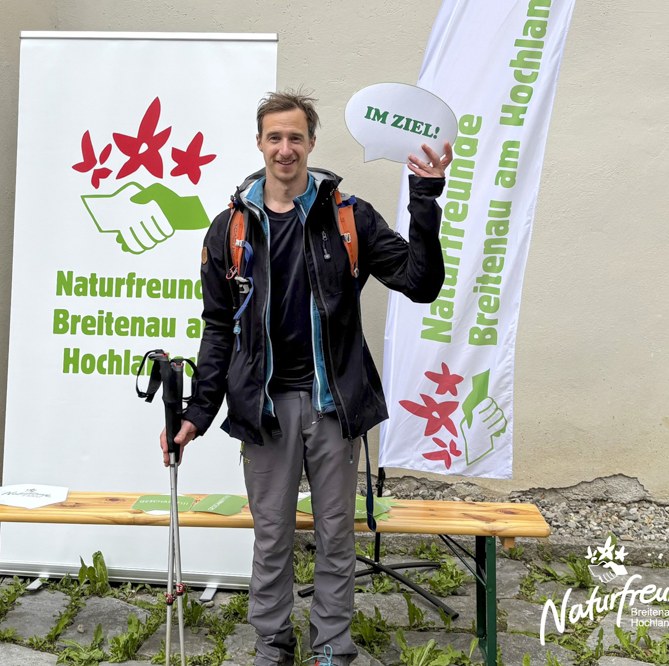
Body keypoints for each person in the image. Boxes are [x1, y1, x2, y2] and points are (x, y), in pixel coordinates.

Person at [159, 91, 452, 666]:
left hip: (332, 404)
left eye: (296, 137)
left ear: (312, 142)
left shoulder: (349, 218)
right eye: (275, 137)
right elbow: (218, 329)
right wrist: (197, 414)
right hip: (264, 409)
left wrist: (425, 197)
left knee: (336, 535)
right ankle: (272, 644)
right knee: (271, 536)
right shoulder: (229, 230)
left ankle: (332, 648)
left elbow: (421, 282)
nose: (285, 148)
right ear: (260, 143)